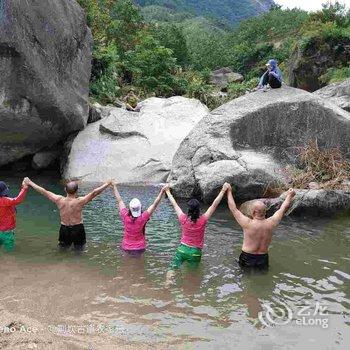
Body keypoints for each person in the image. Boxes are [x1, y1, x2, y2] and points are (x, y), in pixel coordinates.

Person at [165, 183, 230, 285]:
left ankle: (167, 284)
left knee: (172, 268)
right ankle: (190, 293)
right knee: (192, 274)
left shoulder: (183, 218)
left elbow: (174, 204)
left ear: (189, 209)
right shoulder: (203, 220)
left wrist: (167, 191)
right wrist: (223, 190)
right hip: (195, 253)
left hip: (182, 249)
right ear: (199, 209)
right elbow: (214, 204)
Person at [24, 178, 112, 251]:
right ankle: (77, 268)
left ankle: (63, 268)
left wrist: (30, 182)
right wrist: (108, 183)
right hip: (78, 228)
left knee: (62, 251)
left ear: (65, 190)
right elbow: (95, 192)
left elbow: (44, 191)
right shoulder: (80, 201)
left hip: (64, 229)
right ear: (77, 191)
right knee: (79, 251)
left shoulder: (59, 200)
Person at [226, 185, 296, 270]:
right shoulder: (272, 223)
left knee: (246, 278)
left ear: (254, 212)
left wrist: (229, 191)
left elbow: (233, 209)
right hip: (263, 258)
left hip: (247, 257)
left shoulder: (248, 223)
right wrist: (290, 195)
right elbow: (283, 208)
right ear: (265, 211)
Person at [112, 182, 167, 256]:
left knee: (126, 265)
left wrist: (114, 186)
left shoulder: (125, 216)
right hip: (139, 248)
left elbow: (119, 200)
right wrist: (162, 191)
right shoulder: (142, 218)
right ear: (140, 208)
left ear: (130, 208)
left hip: (126, 247)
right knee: (139, 266)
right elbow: (154, 205)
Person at [0, 180, 29, 252]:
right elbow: (17, 200)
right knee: (9, 252)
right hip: (7, 232)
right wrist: (24, 188)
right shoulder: (5, 201)